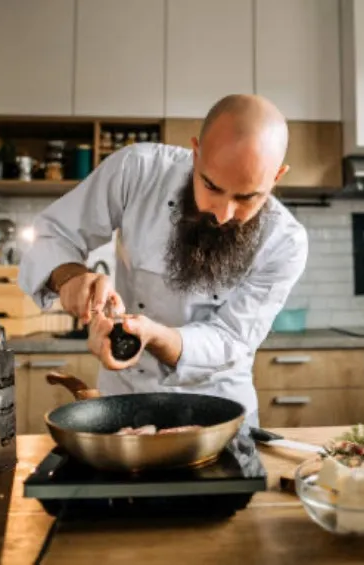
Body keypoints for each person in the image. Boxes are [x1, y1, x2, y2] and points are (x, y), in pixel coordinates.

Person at [18, 94, 309, 428]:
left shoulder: (285, 241)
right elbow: (53, 234)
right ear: (196, 153)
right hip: (124, 403)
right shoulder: (138, 171)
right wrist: (69, 277)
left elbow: (232, 338)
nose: (223, 212)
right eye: (211, 185)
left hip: (220, 412)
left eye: (247, 197)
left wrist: (153, 335)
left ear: (277, 178)